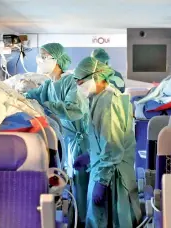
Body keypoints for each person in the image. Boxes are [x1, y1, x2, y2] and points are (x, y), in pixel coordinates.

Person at [25, 43, 89, 225]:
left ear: (57, 60)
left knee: (82, 185)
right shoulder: (48, 84)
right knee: (72, 183)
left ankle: (83, 222)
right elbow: (33, 95)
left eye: (44, 57)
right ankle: (77, 218)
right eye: (40, 56)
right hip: (67, 139)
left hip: (80, 141)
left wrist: (48, 105)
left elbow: (74, 109)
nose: (40, 60)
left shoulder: (70, 82)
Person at [73, 57, 141, 228]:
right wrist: (91, 155)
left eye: (81, 81)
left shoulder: (108, 102)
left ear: (96, 77)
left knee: (110, 220)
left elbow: (112, 145)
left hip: (112, 175)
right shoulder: (100, 97)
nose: (78, 86)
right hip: (105, 167)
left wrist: (102, 182)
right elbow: (103, 137)